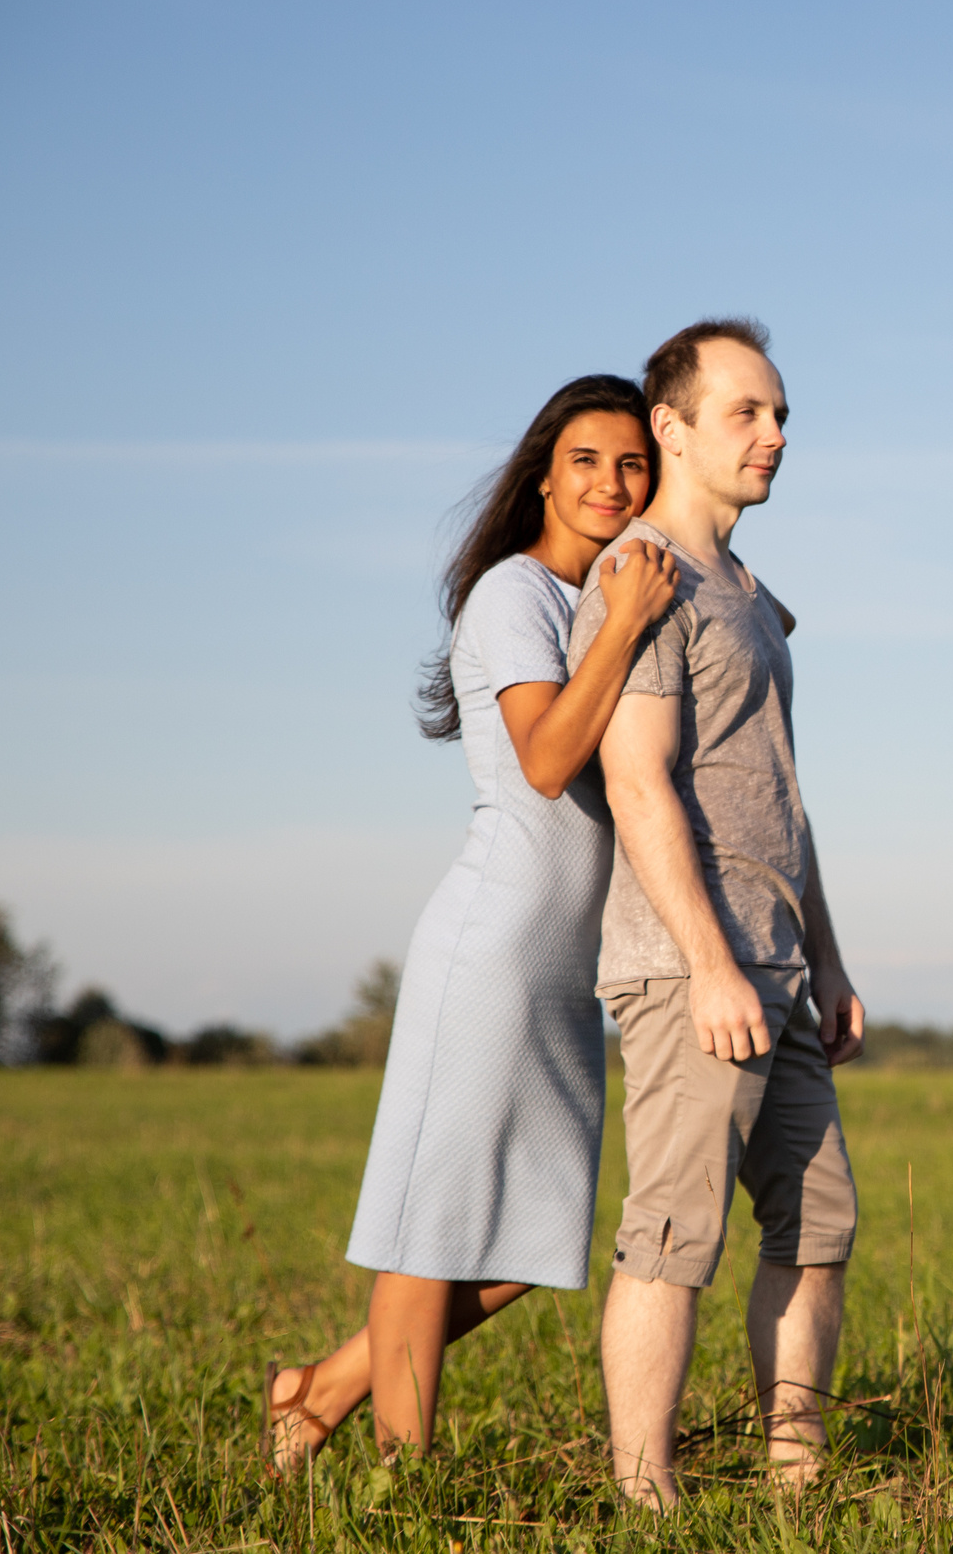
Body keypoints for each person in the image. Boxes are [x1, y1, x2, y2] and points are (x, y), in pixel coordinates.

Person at [261, 374, 681, 1471]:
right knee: (434, 1228)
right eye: (586, 459)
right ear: (545, 473)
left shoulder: (609, 597)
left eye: (633, 463)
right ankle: (403, 1479)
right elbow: (547, 762)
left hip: (565, 969)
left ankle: (323, 1387)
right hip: (491, 947)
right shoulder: (518, 594)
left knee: (536, 1242)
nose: (610, 482)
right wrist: (626, 620)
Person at [566, 318, 866, 1509]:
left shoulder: (750, 595)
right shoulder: (641, 581)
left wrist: (826, 957)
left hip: (781, 966)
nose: (776, 436)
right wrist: (708, 963)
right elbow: (636, 782)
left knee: (818, 1225)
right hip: (693, 968)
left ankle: (798, 1475)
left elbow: (781, 799)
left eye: (782, 414)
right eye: (746, 412)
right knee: (674, 1237)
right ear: (671, 429)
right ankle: (647, 1495)